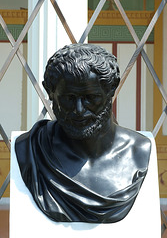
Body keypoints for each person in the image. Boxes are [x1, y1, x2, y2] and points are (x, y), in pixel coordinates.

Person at [15, 43, 151, 223]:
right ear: (51, 93)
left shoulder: (140, 151)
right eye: (69, 99)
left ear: (110, 91)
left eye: (90, 98)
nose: (79, 110)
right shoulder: (30, 148)